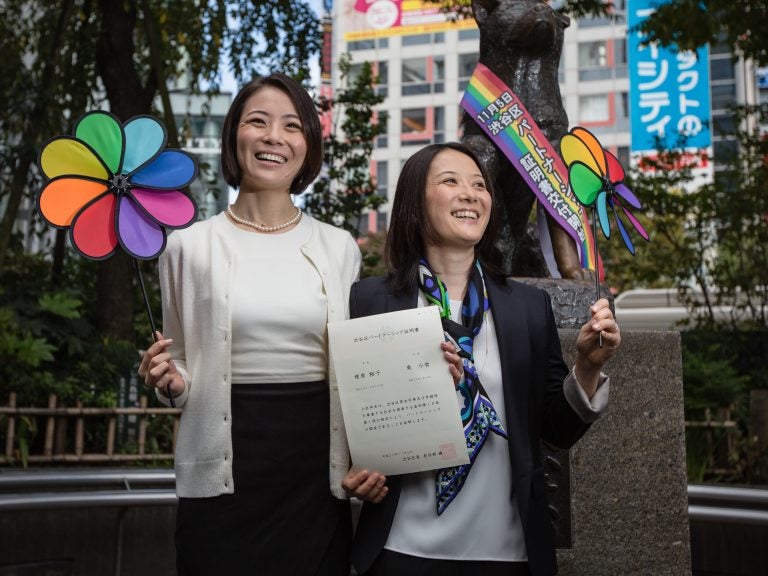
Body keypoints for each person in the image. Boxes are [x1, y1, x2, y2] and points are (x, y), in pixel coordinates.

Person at [342, 142, 620, 576]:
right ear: (415, 201)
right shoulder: (371, 300)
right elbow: (353, 418)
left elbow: (556, 431)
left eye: (479, 185)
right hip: (401, 547)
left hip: (507, 550)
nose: (471, 194)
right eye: (450, 182)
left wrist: (588, 366)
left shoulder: (528, 307)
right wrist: (358, 472)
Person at [137, 73, 361, 576]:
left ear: (309, 145)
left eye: (292, 126)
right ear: (234, 136)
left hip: (314, 469)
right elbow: (181, 371)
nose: (273, 137)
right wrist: (169, 381)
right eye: (257, 122)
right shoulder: (186, 247)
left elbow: (352, 364)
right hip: (222, 469)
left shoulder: (339, 246)